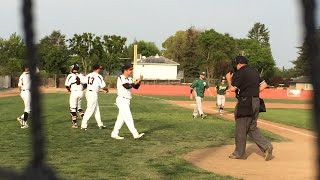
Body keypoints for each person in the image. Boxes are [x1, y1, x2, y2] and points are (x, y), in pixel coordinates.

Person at [226, 56, 273, 161]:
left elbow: (232, 89)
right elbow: (264, 84)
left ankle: (239, 153)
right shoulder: (254, 71)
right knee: (252, 127)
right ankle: (266, 146)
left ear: (238, 64)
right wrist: (254, 93)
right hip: (256, 101)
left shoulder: (240, 73)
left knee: (241, 128)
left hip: (245, 102)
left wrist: (229, 79)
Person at [111, 64, 144, 140]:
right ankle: (135, 134)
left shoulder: (130, 78)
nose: (131, 71)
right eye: (130, 69)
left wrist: (139, 81)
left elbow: (136, 87)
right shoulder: (121, 78)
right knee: (128, 117)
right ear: (125, 70)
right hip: (121, 99)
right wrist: (136, 82)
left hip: (127, 100)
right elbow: (127, 86)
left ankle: (114, 133)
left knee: (121, 118)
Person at [80, 64, 108, 130]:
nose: (101, 70)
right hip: (93, 94)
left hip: (88, 92)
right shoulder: (98, 76)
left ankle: (100, 124)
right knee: (90, 110)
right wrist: (106, 90)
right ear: (98, 69)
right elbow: (103, 86)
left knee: (96, 110)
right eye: (100, 69)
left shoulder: (89, 75)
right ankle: (83, 125)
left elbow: (83, 81)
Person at [65, 64, 86, 128]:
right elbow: (85, 83)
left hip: (74, 92)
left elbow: (66, 85)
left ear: (72, 69)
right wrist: (83, 88)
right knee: (79, 108)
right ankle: (85, 120)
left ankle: (75, 124)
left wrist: (69, 90)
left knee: (73, 108)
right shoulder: (81, 75)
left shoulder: (70, 75)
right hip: (81, 92)